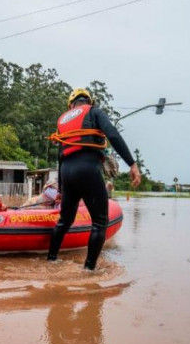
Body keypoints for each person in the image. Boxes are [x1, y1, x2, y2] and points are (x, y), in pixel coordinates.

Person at [47, 88, 141, 270]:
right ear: (89, 101)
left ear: (71, 104)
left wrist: (60, 190)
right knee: (99, 222)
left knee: (64, 221)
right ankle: (89, 270)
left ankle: (51, 261)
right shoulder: (93, 111)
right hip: (88, 167)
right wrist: (132, 163)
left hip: (66, 171)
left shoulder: (63, 120)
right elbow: (112, 134)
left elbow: (60, 156)